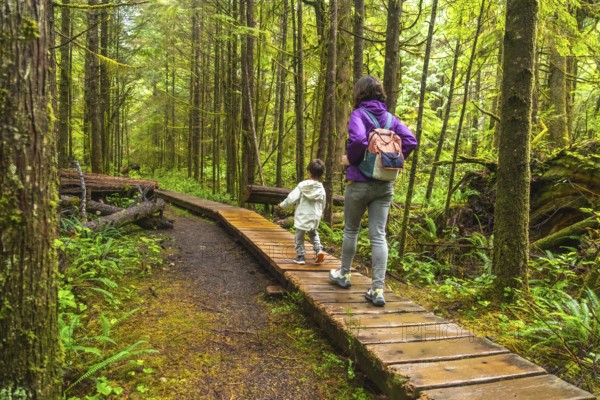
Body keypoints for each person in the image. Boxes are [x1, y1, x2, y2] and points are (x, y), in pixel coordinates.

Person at [329, 76, 417, 306]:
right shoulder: (390, 119)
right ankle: (377, 290)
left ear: (360, 93)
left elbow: (357, 140)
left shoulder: (358, 114)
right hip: (384, 185)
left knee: (351, 230)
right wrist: (391, 160)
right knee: (378, 236)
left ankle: (344, 275)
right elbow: (410, 141)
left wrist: (352, 160)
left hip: (359, 182)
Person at [279, 159, 327, 265]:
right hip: (314, 216)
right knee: (313, 233)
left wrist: (283, 205)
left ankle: (301, 256)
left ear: (309, 172)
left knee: (299, 236)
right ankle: (319, 250)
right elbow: (323, 203)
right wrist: (320, 213)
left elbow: (292, 198)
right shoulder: (321, 188)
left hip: (302, 215)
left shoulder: (302, 185)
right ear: (321, 174)